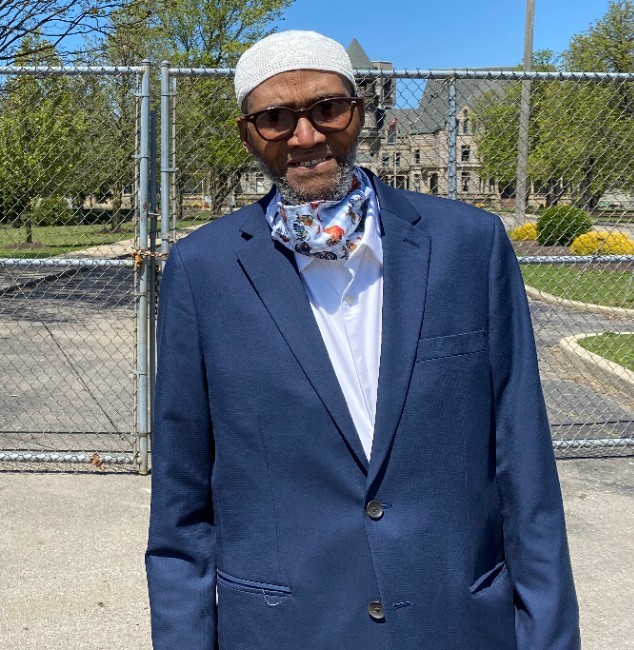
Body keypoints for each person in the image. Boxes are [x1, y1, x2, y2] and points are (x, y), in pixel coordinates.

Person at [145, 30, 579, 649]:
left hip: (453, 624)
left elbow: (526, 472)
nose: (305, 136)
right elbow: (181, 507)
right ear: (248, 134)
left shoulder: (469, 247)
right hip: (285, 631)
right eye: (275, 118)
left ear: (359, 111)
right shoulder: (202, 271)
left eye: (327, 108)